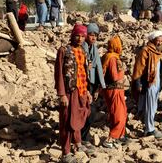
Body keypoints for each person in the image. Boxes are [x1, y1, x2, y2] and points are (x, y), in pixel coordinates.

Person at [54, 24, 93, 163]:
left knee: (77, 118)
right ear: (72, 35)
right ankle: (65, 153)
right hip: (69, 91)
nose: (80, 39)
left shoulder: (83, 51)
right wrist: (62, 94)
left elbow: (83, 72)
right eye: (78, 35)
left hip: (81, 90)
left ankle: (78, 144)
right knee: (66, 120)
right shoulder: (64, 50)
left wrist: (87, 91)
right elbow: (58, 73)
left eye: (83, 36)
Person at [131, 30, 162, 138]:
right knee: (150, 106)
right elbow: (138, 68)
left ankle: (148, 124)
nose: (160, 43)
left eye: (161, 41)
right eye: (158, 40)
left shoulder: (158, 52)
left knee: (153, 106)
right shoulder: (146, 51)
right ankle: (149, 129)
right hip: (149, 83)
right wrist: (138, 84)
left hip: (157, 83)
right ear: (153, 40)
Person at [101, 36, 130, 148]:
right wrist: (122, 76)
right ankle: (110, 138)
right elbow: (114, 77)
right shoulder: (112, 58)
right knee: (119, 115)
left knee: (119, 113)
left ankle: (120, 136)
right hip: (114, 90)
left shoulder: (107, 56)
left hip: (113, 90)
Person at [81, 23, 106, 149]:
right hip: (82, 84)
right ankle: (80, 138)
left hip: (92, 85)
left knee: (91, 113)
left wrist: (97, 88)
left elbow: (98, 69)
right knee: (84, 112)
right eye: (91, 35)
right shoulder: (82, 48)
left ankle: (85, 136)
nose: (93, 38)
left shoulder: (94, 49)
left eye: (95, 35)